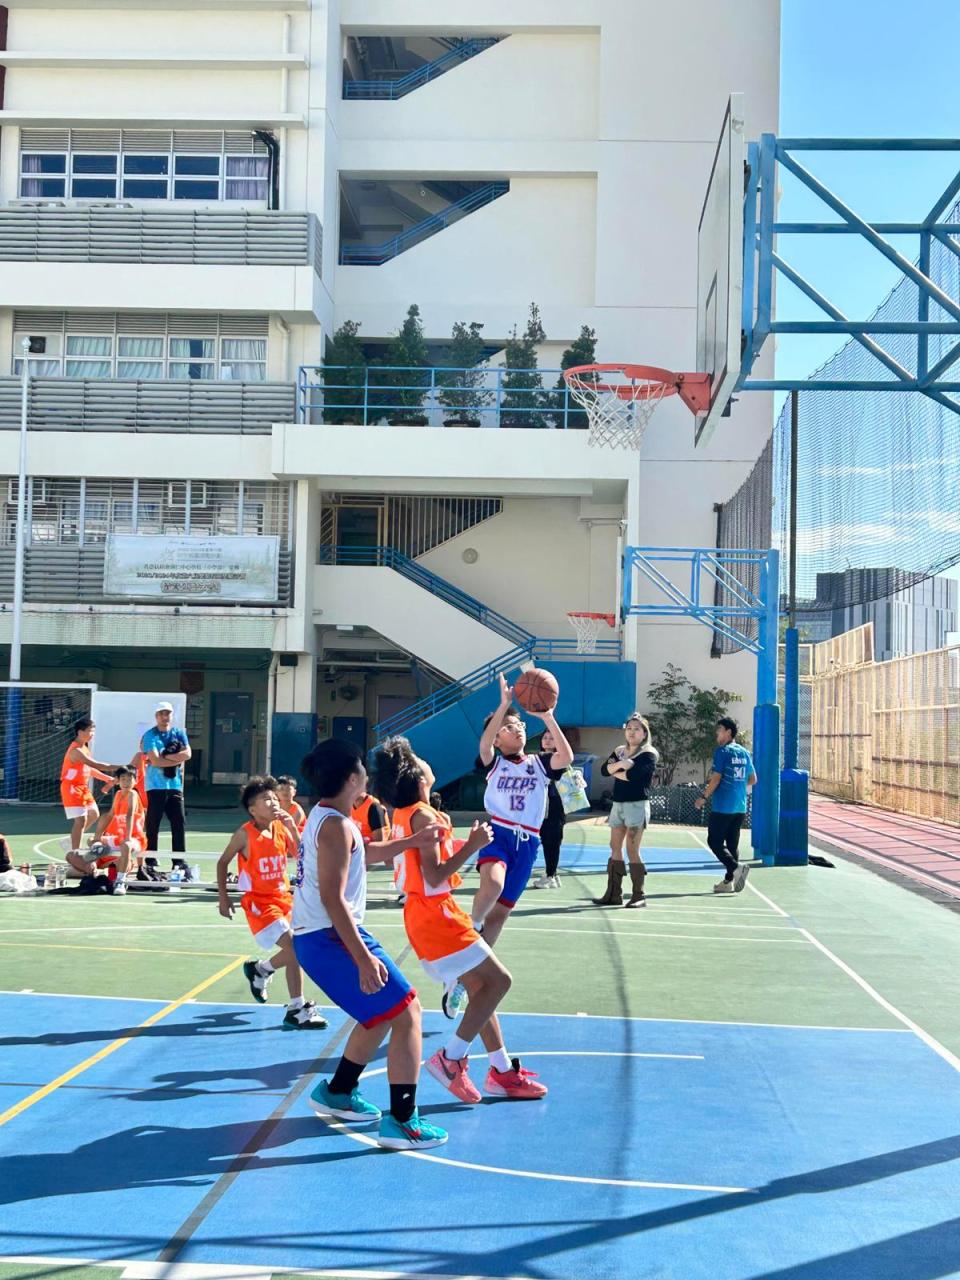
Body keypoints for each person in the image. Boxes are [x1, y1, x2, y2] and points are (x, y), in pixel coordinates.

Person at [292, 738, 449, 1150]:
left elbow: (364, 852)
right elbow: (333, 898)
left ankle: (339, 1091)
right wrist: (362, 958)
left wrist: (411, 842)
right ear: (351, 778)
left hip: (322, 936)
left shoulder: (328, 817)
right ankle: (403, 1121)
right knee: (408, 1011)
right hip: (330, 938)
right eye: (361, 768)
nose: (367, 774)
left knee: (379, 1014)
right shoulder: (336, 826)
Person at [373, 737, 547, 1103]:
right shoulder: (423, 816)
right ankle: (451, 1059)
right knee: (499, 982)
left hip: (425, 912)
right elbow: (435, 875)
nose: (426, 762)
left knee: (481, 989)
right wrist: (472, 846)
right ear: (417, 776)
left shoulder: (406, 813)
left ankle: (501, 1070)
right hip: (436, 914)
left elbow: (415, 865)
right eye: (419, 759)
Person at [217, 775, 327, 1031]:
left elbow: (301, 855)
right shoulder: (244, 835)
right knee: (296, 947)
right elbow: (222, 862)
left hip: (284, 899)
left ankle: (278, 987)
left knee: (297, 950)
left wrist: (291, 828)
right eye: (267, 799)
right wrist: (223, 897)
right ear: (253, 810)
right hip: (260, 903)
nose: (274, 802)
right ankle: (280, 989)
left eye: (275, 798)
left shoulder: (281, 827)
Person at [472, 674, 574, 946]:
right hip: (498, 834)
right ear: (497, 739)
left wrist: (548, 717)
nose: (517, 729)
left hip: (528, 841)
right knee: (493, 884)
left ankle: (478, 959)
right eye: (508, 727)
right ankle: (473, 923)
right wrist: (504, 705)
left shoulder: (539, 764)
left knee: (501, 914)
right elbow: (484, 745)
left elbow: (566, 757)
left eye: (519, 725)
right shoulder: (494, 764)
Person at [595, 714, 659, 909]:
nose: (632, 732)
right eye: (629, 728)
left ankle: (639, 895)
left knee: (632, 849)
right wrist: (622, 765)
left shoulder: (648, 753)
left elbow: (634, 776)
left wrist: (616, 770)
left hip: (637, 805)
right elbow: (604, 770)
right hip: (618, 804)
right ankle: (613, 893)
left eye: (637, 729)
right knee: (614, 846)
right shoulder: (620, 751)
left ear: (644, 733)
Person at [695, 717, 756, 894]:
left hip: (723, 806)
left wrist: (703, 797)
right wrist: (737, 785)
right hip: (740, 806)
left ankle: (736, 868)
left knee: (714, 841)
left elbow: (716, 779)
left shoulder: (722, 751)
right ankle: (728, 882)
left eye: (720, 729)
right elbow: (753, 779)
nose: (717, 733)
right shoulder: (744, 752)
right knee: (731, 845)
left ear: (729, 732)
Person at [140, 702, 192, 879]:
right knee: (153, 822)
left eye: (167, 713)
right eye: (161, 713)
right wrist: (176, 759)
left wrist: (167, 756)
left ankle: (179, 860)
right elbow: (155, 761)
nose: (165, 717)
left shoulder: (179, 733)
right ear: (156, 716)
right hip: (155, 785)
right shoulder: (150, 735)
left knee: (179, 821)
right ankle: (151, 859)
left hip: (175, 785)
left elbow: (188, 754)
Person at [76, 765, 146, 894]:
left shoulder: (133, 794)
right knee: (91, 840)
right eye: (123, 779)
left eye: (129, 779)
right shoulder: (118, 794)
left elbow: (130, 814)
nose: (126, 782)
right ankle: (97, 863)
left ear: (135, 781)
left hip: (133, 838)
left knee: (126, 845)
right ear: (118, 781)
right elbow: (109, 815)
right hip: (117, 838)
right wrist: (97, 837)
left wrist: (128, 838)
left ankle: (120, 881)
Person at [60, 717, 120, 854]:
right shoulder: (76, 750)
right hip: (71, 788)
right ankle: (75, 853)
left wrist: (107, 778)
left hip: (82, 788)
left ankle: (71, 840)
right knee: (81, 820)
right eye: (89, 731)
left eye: (93, 731)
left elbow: (89, 769)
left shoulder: (84, 748)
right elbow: (96, 765)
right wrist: (122, 767)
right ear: (79, 732)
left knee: (94, 814)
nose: (92, 734)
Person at [531, 726, 566, 890]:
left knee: (551, 839)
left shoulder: (560, 758)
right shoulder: (537, 758)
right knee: (548, 839)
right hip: (542, 804)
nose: (547, 740)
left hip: (554, 804)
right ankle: (552, 873)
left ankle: (551, 875)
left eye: (552, 738)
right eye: (545, 737)